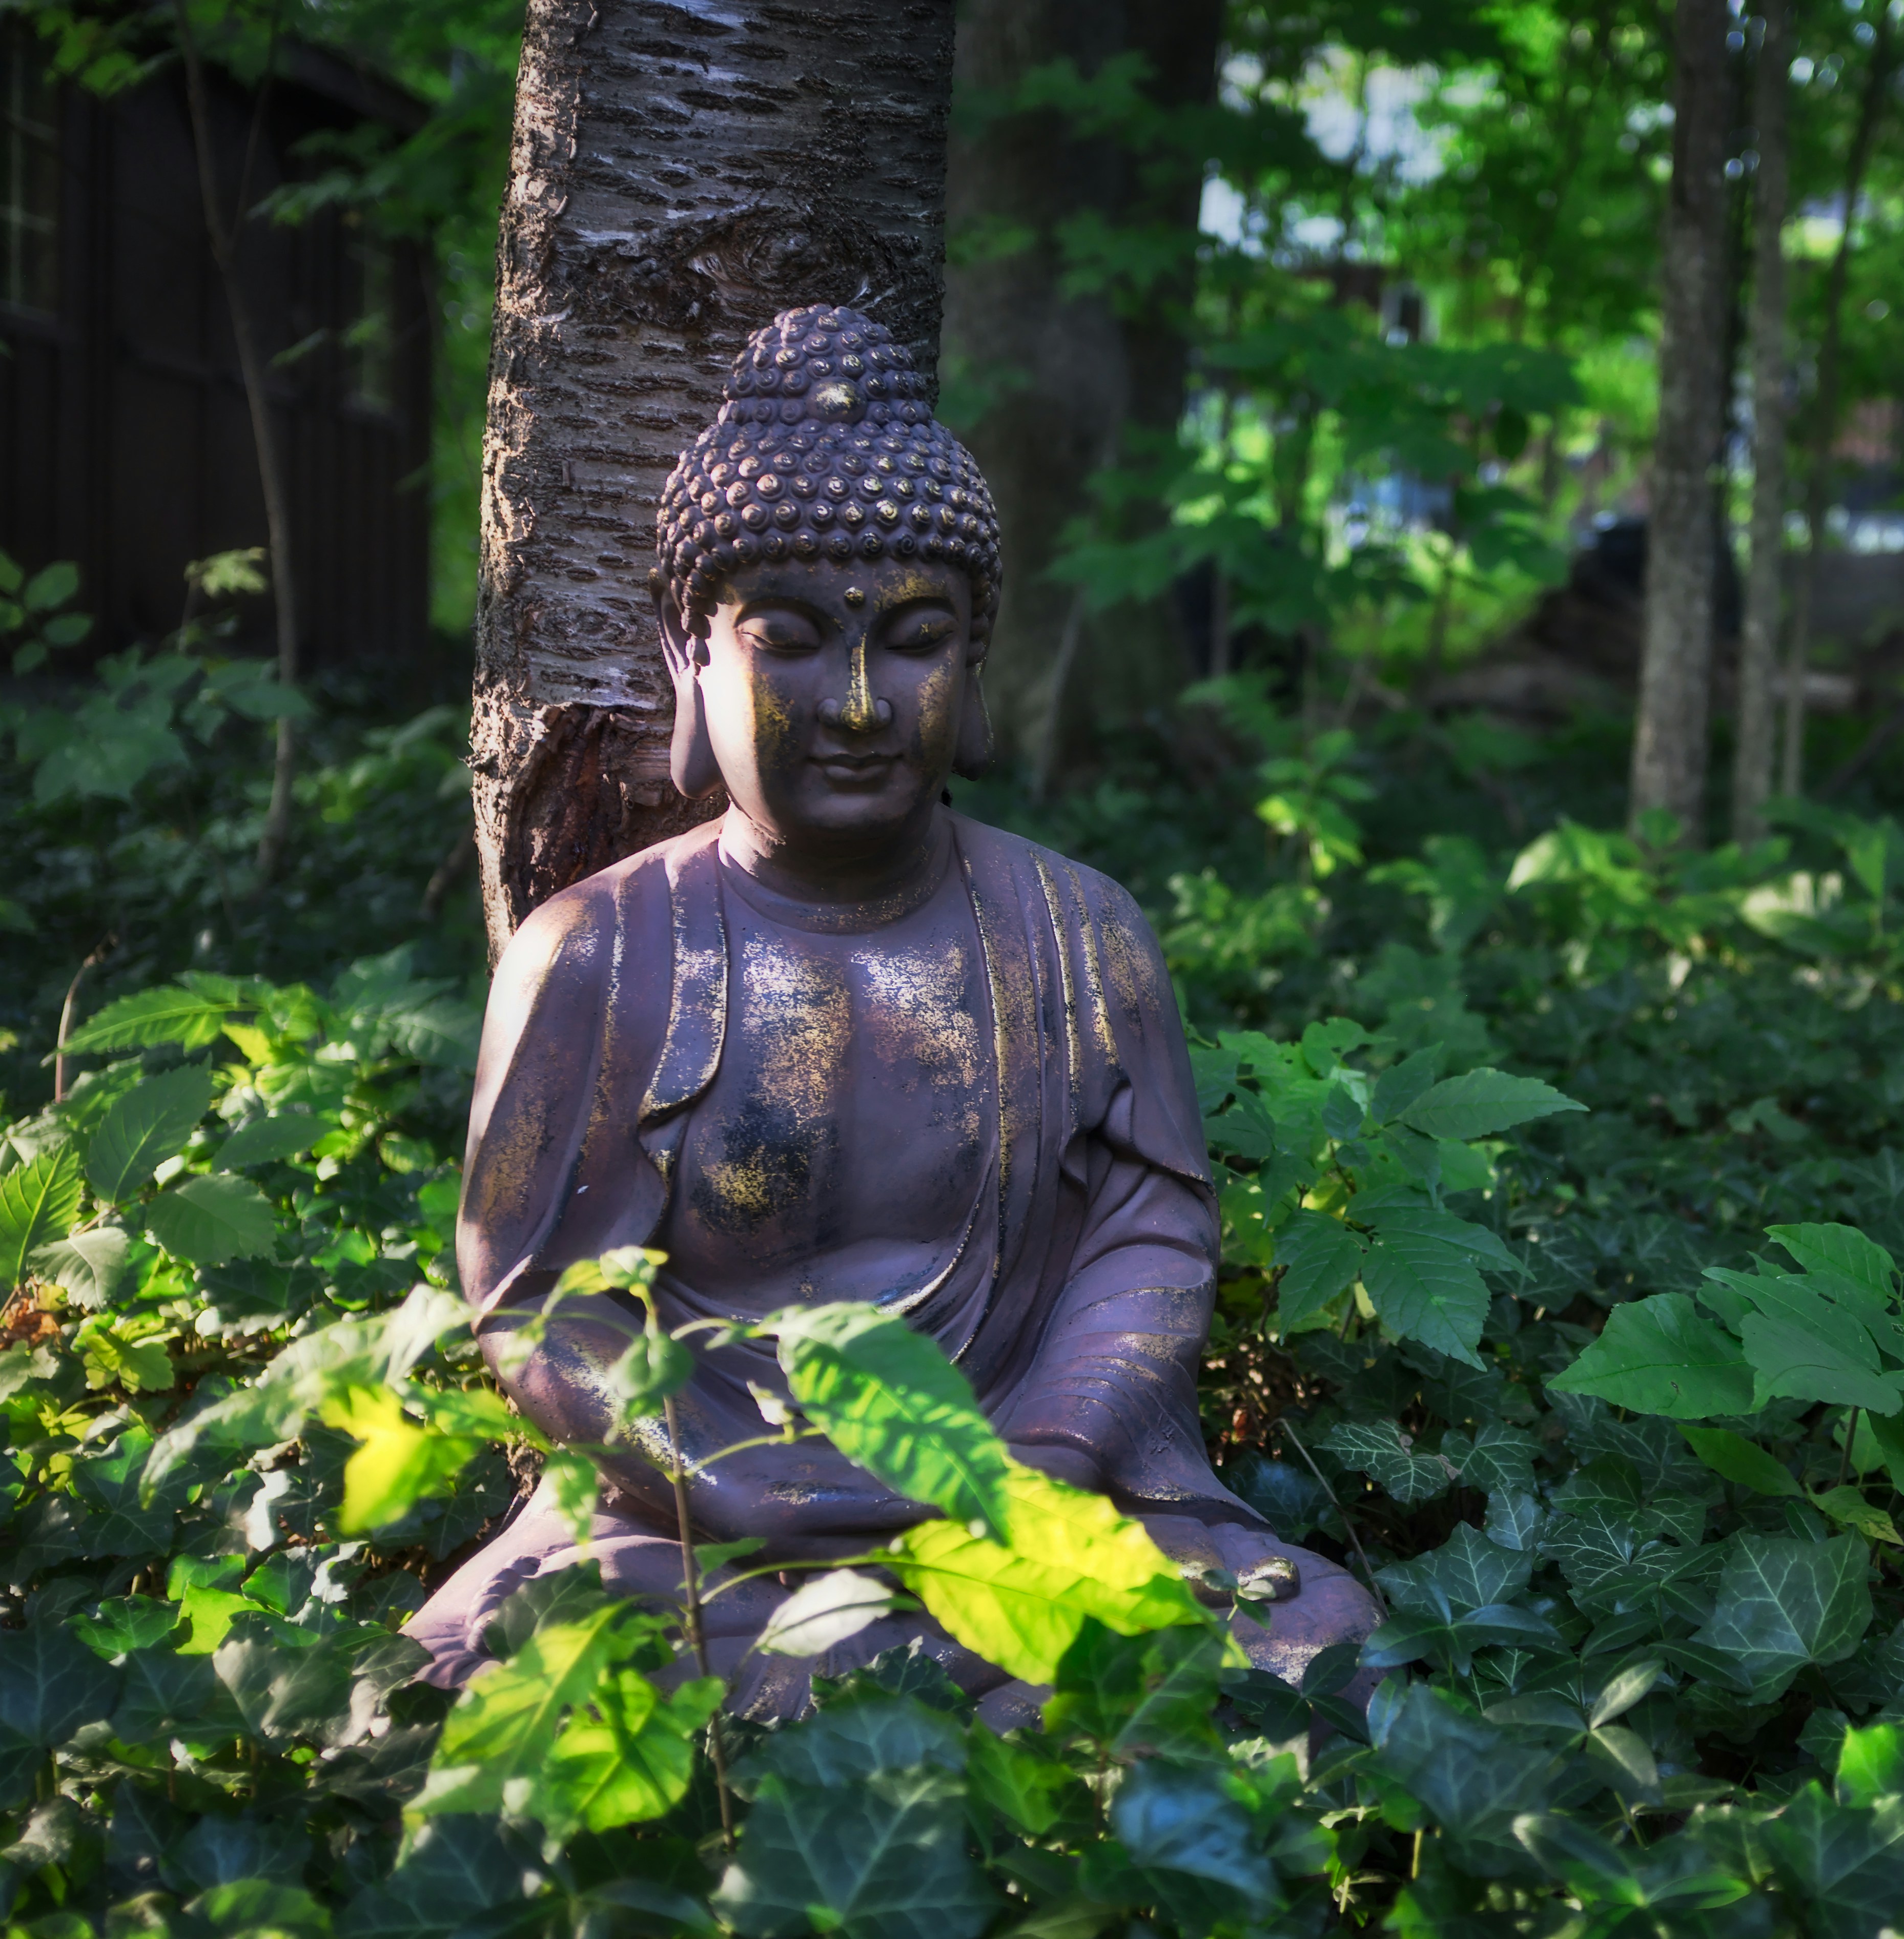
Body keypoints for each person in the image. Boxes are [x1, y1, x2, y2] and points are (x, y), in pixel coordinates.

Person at [405, 305, 1375, 1722]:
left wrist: (1039, 1452)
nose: (857, 704)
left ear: (972, 664)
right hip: (695, 1532)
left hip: (1018, 1504)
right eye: (787, 642)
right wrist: (720, 1481)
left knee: (1306, 1635)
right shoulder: (602, 953)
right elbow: (536, 1299)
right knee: (485, 1661)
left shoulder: (1077, 934)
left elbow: (1149, 1238)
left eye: (914, 642)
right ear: (691, 660)